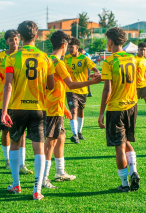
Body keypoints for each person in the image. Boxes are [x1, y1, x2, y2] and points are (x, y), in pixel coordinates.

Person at [1, 21, 55, 200]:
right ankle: (37, 189)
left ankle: (16, 185)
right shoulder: (46, 58)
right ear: (37, 35)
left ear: (20, 37)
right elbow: (51, 85)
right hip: (38, 108)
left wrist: (3, 111)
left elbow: (8, 85)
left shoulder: (12, 58)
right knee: (39, 148)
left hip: (17, 107)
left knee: (15, 143)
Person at [43, 31, 101, 189]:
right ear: (64, 45)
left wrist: (63, 108)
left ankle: (60, 172)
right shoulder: (58, 62)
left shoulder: (47, 59)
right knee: (51, 141)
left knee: (61, 137)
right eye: (67, 45)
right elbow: (71, 85)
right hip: (52, 108)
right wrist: (93, 82)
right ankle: (44, 177)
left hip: (53, 106)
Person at [98, 27, 140, 193]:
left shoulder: (109, 61)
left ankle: (124, 184)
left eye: (107, 40)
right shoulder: (133, 59)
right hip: (132, 106)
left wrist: (101, 113)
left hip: (116, 108)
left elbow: (107, 89)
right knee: (126, 142)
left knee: (119, 146)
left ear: (111, 41)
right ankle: (134, 171)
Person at [0, 30, 33, 173]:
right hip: (3, 101)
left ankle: (22, 164)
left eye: (16, 39)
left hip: (20, 100)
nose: (14, 42)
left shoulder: (22, 56)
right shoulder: (0, 57)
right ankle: (7, 159)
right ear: (6, 42)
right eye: (11, 40)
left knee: (22, 133)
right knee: (6, 131)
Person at [63, 38, 100, 144]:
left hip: (83, 90)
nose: (69, 49)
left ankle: (79, 132)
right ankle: (74, 134)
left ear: (77, 48)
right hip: (70, 89)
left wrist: (97, 73)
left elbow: (94, 68)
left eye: (72, 47)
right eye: (68, 47)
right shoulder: (65, 59)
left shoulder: (84, 58)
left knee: (80, 111)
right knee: (73, 110)